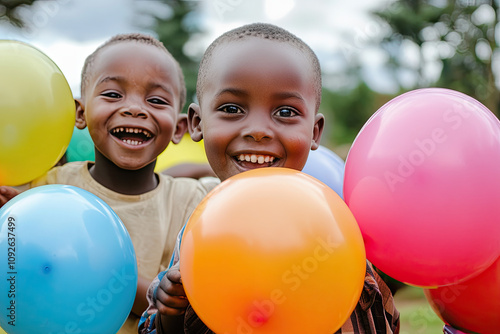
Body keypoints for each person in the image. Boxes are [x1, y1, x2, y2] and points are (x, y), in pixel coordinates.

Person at [138, 23, 400, 334]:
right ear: (197, 123)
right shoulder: (200, 232)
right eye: (232, 108)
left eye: (286, 112)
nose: (258, 129)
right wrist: (172, 311)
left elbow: (381, 321)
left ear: (314, 132)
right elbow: (159, 328)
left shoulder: (334, 231)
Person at [0, 33, 219, 333]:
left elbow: (180, 305)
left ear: (179, 127)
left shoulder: (191, 204)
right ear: (79, 113)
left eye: (155, 100)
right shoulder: (45, 190)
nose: (134, 109)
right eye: (113, 95)